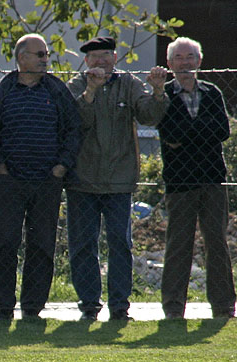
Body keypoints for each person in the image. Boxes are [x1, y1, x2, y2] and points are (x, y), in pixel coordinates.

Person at [66, 36, 169, 321]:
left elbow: (148, 115)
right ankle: (89, 305)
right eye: (95, 56)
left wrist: (158, 91)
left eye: (106, 55)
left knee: (120, 244)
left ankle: (120, 307)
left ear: (115, 58)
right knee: (84, 244)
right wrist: (90, 91)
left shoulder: (130, 84)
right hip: (82, 181)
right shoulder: (76, 85)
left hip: (120, 181)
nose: (101, 61)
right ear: (86, 61)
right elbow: (74, 121)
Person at [0, 33, 81, 320]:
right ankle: (3, 308)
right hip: (10, 182)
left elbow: (73, 129)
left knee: (41, 247)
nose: (45, 59)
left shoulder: (56, 90)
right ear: (21, 57)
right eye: (39, 54)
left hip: (46, 183)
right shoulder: (3, 90)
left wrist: (61, 168)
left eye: (46, 55)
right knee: (4, 244)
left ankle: (32, 308)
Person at [158, 37, 235, 319]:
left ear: (199, 61)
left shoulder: (212, 92)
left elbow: (222, 131)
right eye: (179, 57)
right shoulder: (163, 94)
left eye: (190, 56)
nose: (185, 62)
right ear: (169, 63)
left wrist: (187, 133)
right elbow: (170, 135)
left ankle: (224, 305)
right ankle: (174, 307)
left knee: (216, 243)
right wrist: (198, 133)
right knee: (178, 245)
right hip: (179, 182)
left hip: (213, 179)